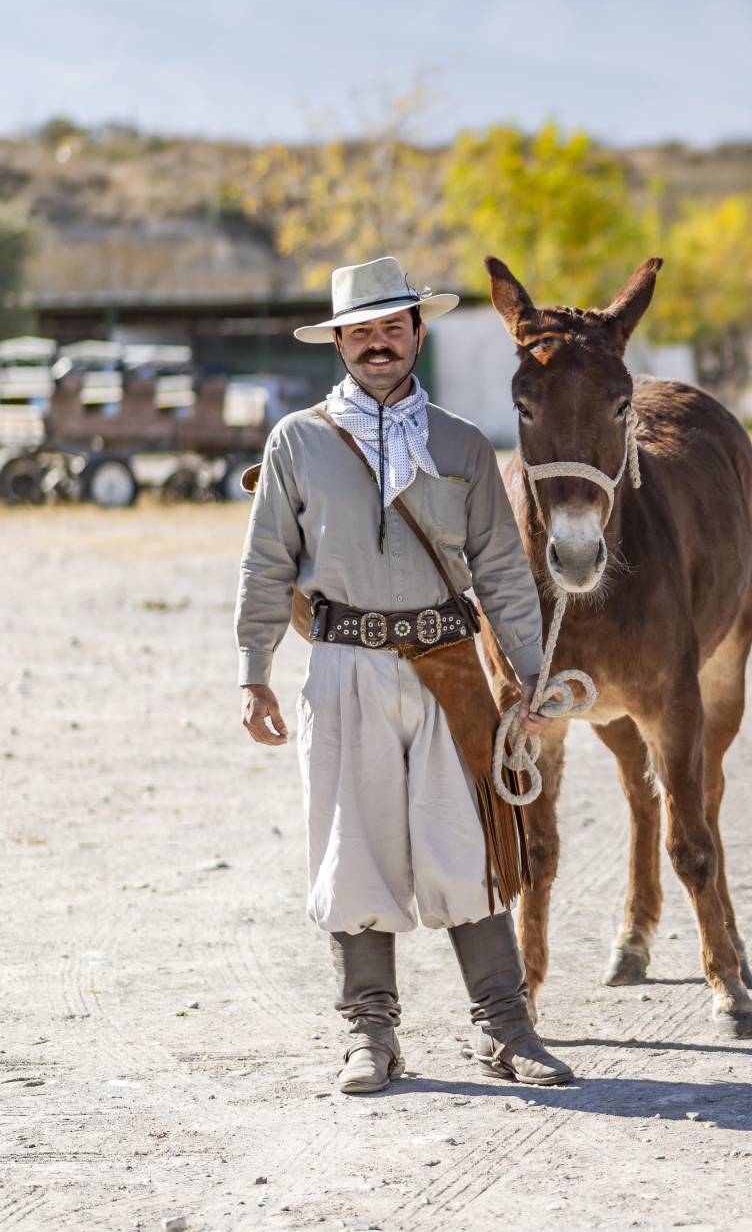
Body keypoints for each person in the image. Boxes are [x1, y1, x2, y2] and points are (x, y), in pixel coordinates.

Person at [235, 256, 572, 1093]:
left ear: (418, 334)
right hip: (341, 665)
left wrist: (530, 677)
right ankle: (370, 1037)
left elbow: (501, 571)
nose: (377, 343)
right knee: (354, 850)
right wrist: (255, 670)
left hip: (449, 667)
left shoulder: (461, 442)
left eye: (393, 327)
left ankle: (506, 1028)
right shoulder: (297, 441)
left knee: (472, 849)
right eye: (361, 331)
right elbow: (265, 562)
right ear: (340, 341)